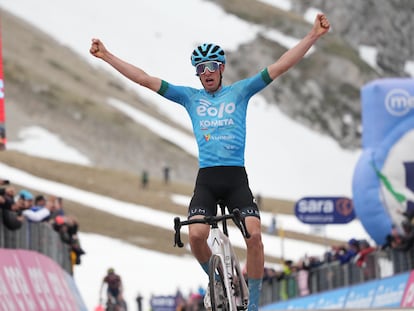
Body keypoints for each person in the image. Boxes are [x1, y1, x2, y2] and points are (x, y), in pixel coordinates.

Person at [90, 13, 330, 311]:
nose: (206, 72)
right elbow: (145, 79)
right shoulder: (190, 98)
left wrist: (313, 36)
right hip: (207, 179)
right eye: (200, 68)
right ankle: (216, 280)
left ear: (221, 68)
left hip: (235, 180)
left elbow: (280, 66)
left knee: (254, 237)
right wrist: (106, 55)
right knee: (196, 236)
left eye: (212, 66)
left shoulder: (240, 91)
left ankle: (253, 304)